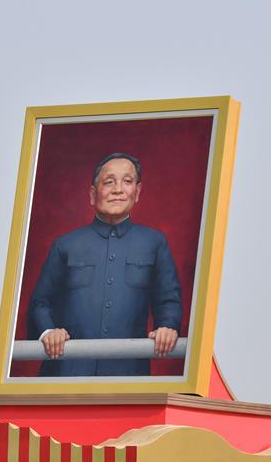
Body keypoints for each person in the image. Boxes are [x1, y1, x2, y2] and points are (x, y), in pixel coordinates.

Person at [28, 152, 183, 377]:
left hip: (128, 378)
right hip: (66, 375)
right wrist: (49, 331)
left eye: (127, 181)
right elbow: (40, 303)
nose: (118, 189)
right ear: (93, 194)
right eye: (109, 182)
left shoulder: (154, 243)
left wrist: (168, 326)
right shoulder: (65, 245)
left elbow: (168, 300)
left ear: (137, 192)